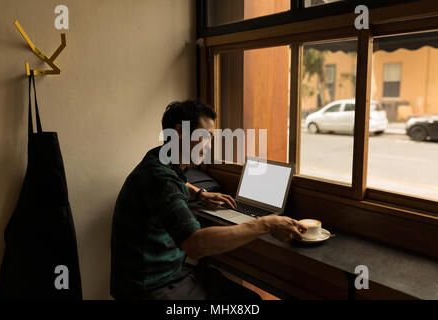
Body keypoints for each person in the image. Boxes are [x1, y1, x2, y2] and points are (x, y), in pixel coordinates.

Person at [110, 100, 306, 300]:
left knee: (220, 281)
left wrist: (199, 193)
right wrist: (265, 224)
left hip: (152, 275)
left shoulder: (157, 158)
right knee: (248, 301)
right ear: (179, 131)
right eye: (205, 137)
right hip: (150, 287)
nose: (208, 146)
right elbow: (196, 246)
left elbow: (175, 183)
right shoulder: (161, 180)